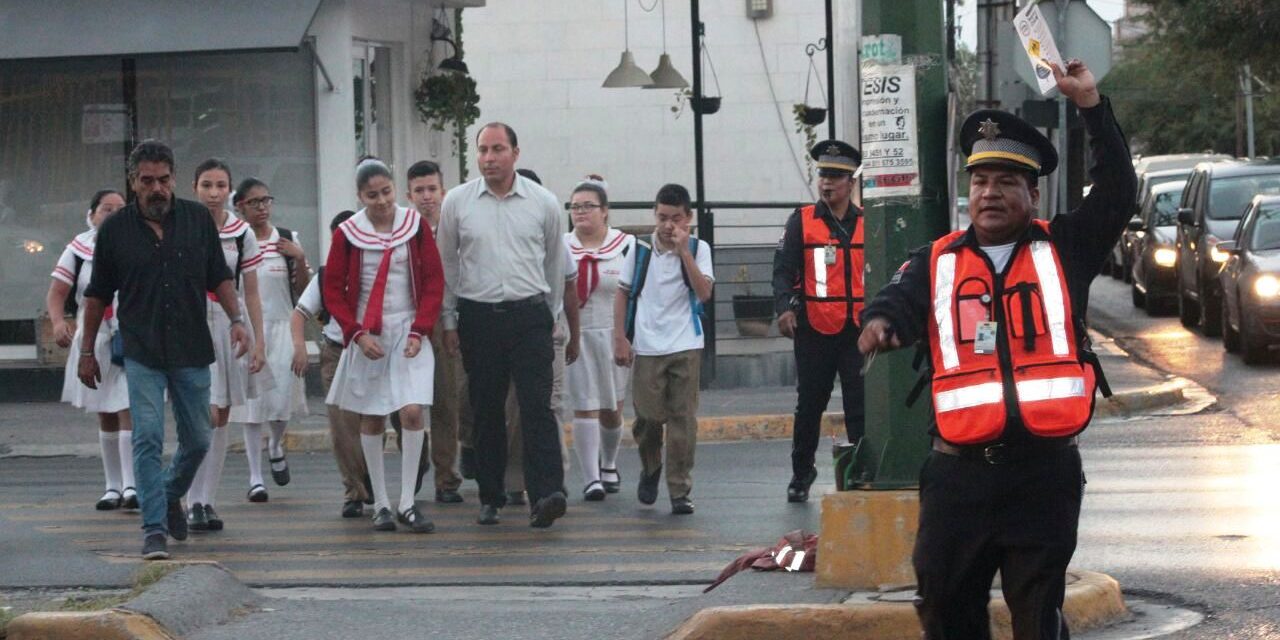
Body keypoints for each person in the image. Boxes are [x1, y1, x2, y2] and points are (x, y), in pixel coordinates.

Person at [857, 60, 1135, 639]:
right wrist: (882, 323)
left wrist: (1091, 106)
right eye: (980, 181)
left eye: (1007, 182)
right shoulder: (935, 260)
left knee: (1038, 618)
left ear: (1032, 194)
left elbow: (1116, 191)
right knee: (945, 611)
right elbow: (898, 300)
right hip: (958, 478)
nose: (990, 193)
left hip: (1044, 473)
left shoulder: (1066, 248)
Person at [79, 139, 249, 560]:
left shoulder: (196, 219)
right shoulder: (115, 230)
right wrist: (86, 351)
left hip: (192, 347)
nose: (157, 188)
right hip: (142, 350)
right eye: (147, 181)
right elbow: (97, 294)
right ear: (134, 183)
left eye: (164, 180)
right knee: (147, 437)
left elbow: (220, 276)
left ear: (174, 179)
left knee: (198, 439)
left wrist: (239, 320)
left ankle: (171, 493)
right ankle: (153, 528)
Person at [438, 122, 569, 528]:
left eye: (497, 149)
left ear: (515, 152)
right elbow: (449, 262)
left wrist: (551, 312)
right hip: (478, 316)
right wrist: (449, 318)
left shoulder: (544, 202)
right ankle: (491, 495)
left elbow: (553, 263)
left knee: (537, 406)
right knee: (486, 408)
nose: (489, 158)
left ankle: (547, 493)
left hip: (530, 315)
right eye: (482, 150)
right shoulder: (457, 203)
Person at [323, 159, 444, 533]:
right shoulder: (348, 233)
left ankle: (408, 501)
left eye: (386, 192)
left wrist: (419, 329)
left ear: (395, 189)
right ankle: (381, 503)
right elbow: (334, 289)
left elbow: (433, 281)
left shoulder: (414, 226)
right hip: (368, 333)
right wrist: (356, 333)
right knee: (372, 414)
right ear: (360, 196)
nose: (381, 201)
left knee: (411, 411)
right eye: (372, 195)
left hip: (408, 327)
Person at [771, 140, 867, 503]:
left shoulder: (866, 223)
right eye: (823, 175)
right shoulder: (803, 221)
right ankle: (801, 472)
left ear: (850, 183)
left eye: (836, 177)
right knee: (810, 404)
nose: (827, 183)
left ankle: (860, 469)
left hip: (857, 330)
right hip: (815, 330)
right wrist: (785, 308)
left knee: (860, 406)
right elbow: (783, 270)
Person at [613, 183, 714, 515]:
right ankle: (651, 465)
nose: (668, 225)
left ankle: (679, 489)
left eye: (676, 218)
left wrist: (684, 252)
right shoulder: (639, 249)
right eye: (662, 217)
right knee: (648, 417)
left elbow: (704, 293)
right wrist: (620, 337)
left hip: (686, 343)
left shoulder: (699, 249)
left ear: (688, 219)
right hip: (647, 344)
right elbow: (623, 293)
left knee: (683, 420)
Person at [185, 159, 269, 534]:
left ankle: (207, 500)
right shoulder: (182, 225)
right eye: (207, 185)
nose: (214, 193)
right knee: (201, 412)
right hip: (191, 321)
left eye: (221, 186)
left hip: (230, 321)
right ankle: (189, 498)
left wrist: (258, 339)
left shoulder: (241, 233)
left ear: (230, 191)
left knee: (220, 413)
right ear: (194, 188)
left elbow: (250, 290)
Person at [47, 189, 135, 511]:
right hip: (94, 338)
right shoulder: (79, 249)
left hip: (130, 335)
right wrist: (58, 322)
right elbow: (57, 293)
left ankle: (130, 485)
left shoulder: (138, 242)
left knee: (129, 407)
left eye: (119, 209)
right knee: (106, 412)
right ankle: (112, 486)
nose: (112, 214)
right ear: (92, 214)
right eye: (105, 209)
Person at [496, 167, 580, 507]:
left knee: (551, 403)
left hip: (551, 329)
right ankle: (515, 479)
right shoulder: (501, 236)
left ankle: (553, 480)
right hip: (509, 329)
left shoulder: (555, 238)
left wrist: (575, 334)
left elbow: (570, 286)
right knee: (515, 407)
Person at [230, 178, 309, 502]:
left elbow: (304, 289)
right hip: (249, 330)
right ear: (240, 207)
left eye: (266, 200)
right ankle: (255, 477)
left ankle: (276, 444)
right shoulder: (235, 242)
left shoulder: (286, 239)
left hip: (283, 328)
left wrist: (300, 257)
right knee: (252, 407)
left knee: (280, 402)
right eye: (254, 202)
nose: (262, 207)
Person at [291, 210, 370, 518]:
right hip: (338, 352)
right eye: (339, 237)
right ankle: (354, 490)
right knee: (342, 425)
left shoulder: (381, 267)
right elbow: (300, 314)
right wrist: (299, 346)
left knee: (385, 420)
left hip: (377, 352)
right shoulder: (325, 276)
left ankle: (385, 477)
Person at [564, 176, 633, 500]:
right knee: (584, 405)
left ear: (605, 211)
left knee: (611, 408)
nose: (581, 212)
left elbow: (634, 291)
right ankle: (591, 478)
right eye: (575, 207)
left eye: (588, 206)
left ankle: (609, 463)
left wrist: (627, 336)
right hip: (576, 333)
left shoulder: (626, 246)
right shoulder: (563, 247)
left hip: (613, 332)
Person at [404, 160, 463, 504]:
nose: (426, 197)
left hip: (447, 321)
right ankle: (416, 461)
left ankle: (447, 477)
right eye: (419, 191)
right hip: (409, 321)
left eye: (432, 189)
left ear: (442, 190)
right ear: (409, 194)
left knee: (446, 400)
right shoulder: (403, 228)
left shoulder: (455, 227)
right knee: (406, 403)